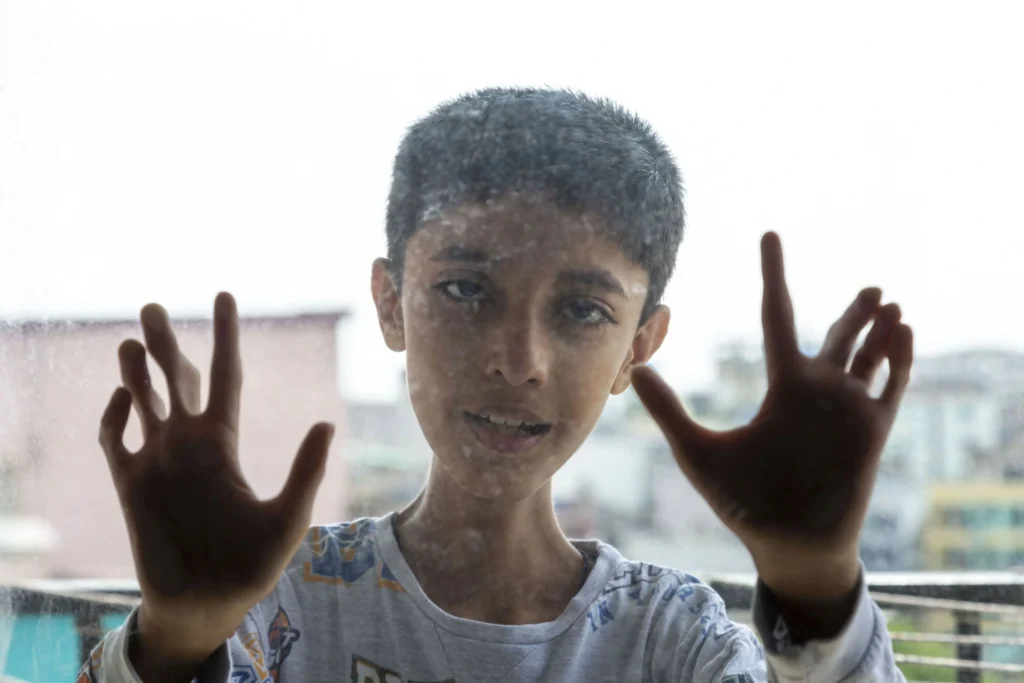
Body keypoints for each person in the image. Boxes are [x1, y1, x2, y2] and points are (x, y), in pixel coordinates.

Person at [80, 88, 912, 682]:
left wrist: (817, 590)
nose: (519, 359)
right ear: (389, 302)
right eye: (466, 290)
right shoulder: (273, 604)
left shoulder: (672, 640)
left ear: (639, 346)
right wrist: (177, 641)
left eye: (582, 309)